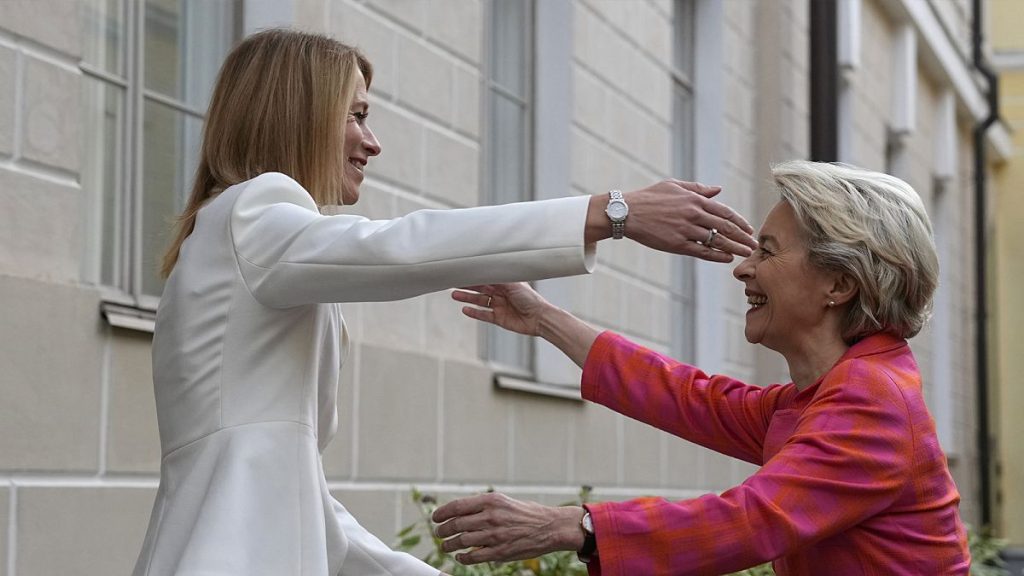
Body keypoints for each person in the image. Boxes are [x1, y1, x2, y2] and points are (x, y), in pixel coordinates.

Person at [131, 29, 757, 576]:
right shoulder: (255, 208)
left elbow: (295, 496)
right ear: (298, 115)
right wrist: (609, 214)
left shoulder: (234, 236)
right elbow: (396, 250)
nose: (371, 142)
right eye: (355, 115)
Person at [432, 160, 970, 575]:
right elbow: (695, 398)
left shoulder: (871, 400)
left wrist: (571, 525)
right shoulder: (844, 389)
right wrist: (544, 318)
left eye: (768, 251)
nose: (744, 268)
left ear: (839, 284)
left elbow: (753, 520)